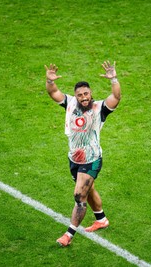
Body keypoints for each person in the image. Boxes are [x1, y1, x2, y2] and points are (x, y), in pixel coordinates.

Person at [44, 61, 122, 247]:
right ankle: (101, 219)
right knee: (89, 189)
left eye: (86, 93)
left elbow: (116, 97)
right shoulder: (70, 103)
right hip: (74, 159)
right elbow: (53, 93)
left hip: (92, 159)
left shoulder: (99, 109)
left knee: (80, 197)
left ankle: (68, 234)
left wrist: (114, 79)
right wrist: (49, 80)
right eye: (80, 95)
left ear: (91, 93)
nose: (83, 97)